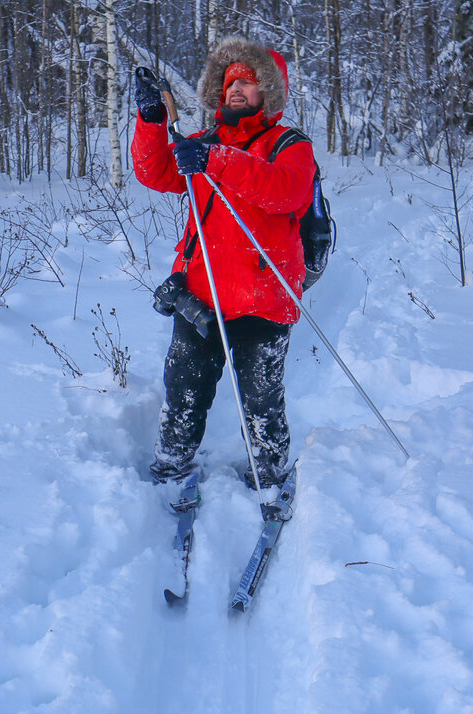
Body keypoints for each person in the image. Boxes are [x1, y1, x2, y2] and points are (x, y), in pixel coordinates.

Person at [131, 37, 316, 492]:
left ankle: (269, 477)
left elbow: (285, 191)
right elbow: (154, 173)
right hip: (201, 294)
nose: (236, 88)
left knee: (261, 401)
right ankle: (171, 468)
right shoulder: (202, 143)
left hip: (265, 299)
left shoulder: (290, 145)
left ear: (268, 93)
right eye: (230, 81)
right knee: (183, 391)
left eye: (248, 81)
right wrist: (152, 121)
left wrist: (218, 160)